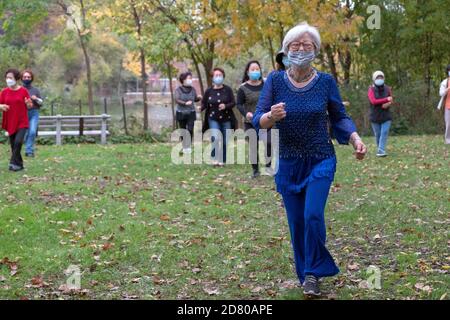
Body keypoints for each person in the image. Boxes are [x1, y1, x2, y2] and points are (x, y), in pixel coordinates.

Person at [252, 22, 367, 297]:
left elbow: (339, 116)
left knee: (313, 214)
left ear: (315, 50)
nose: (301, 49)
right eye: (295, 45)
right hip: (289, 163)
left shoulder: (325, 82)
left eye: (307, 45)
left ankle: (314, 272)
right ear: (286, 50)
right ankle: (306, 276)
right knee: (297, 222)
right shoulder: (275, 81)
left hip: (320, 158)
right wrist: (271, 117)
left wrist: (354, 138)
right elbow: (258, 119)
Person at [236, 60, 271, 178]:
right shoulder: (243, 88)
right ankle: (255, 171)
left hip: (266, 120)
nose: (255, 71)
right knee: (253, 146)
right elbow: (239, 104)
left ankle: (268, 167)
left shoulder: (266, 85)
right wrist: (246, 114)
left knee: (269, 143)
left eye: (257, 69)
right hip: (250, 122)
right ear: (247, 72)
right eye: (253, 69)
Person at [201, 68, 237, 166]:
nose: (218, 77)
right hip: (213, 118)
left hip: (227, 118)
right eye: (216, 75)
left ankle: (223, 160)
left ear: (223, 76)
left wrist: (226, 106)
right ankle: (214, 158)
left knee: (225, 140)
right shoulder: (209, 90)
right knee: (215, 138)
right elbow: (204, 103)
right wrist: (199, 108)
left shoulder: (228, 89)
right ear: (212, 78)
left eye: (220, 75)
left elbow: (233, 102)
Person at [0, 68, 33, 171]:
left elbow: (30, 105)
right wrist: (1, 106)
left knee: (18, 142)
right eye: (7, 78)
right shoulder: (4, 92)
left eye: (10, 78)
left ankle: (12, 162)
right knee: (14, 144)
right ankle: (20, 165)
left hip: (22, 121)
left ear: (16, 79)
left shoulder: (23, 91)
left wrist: (28, 103)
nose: (8, 80)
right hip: (10, 121)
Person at [175, 72, 202, 154]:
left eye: (191, 78)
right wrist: (184, 103)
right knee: (183, 130)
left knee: (190, 129)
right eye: (189, 78)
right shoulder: (178, 90)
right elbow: (177, 99)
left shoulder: (193, 89)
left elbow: (195, 99)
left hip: (191, 112)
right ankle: (184, 146)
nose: (190, 80)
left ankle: (188, 145)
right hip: (181, 112)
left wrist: (199, 98)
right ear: (183, 80)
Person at [368, 71, 393, 157]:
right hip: (375, 115)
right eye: (377, 78)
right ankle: (380, 149)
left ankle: (381, 150)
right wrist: (386, 99)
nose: (379, 79)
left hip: (386, 115)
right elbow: (373, 101)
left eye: (381, 77)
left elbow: (391, 99)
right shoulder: (371, 89)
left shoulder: (387, 88)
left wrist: (388, 103)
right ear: (374, 79)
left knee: (384, 132)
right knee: (378, 134)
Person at [22, 69, 43, 157]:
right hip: (23, 113)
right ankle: (28, 149)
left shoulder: (35, 90)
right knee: (25, 133)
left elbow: (41, 102)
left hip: (34, 113)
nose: (27, 78)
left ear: (31, 78)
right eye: (25, 77)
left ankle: (29, 151)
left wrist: (36, 99)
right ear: (22, 78)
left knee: (33, 131)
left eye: (28, 77)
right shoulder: (20, 89)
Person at [437, 64, 450, 144]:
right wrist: (447, 89)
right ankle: (448, 140)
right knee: (448, 124)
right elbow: (441, 93)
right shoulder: (445, 82)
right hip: (448, 106)